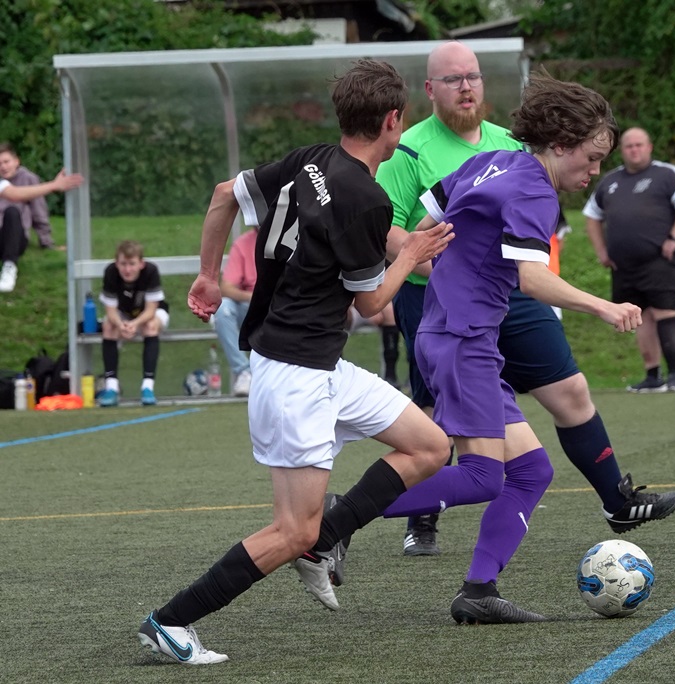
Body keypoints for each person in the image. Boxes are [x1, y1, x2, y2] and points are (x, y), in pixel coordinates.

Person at [137, 59, 454, 665]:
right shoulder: (367, 198)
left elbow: (224, 195)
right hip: (295, 376)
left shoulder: (311, 159)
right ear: (393, 120)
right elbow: (372, 303)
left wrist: (207, 275)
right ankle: (170, 622)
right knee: (291, 529)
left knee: (430, 445)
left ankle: (324, 540)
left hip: (319, 364)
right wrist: (411, 253)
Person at [303, 70, 646, 625]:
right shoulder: (534, 190)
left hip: (454, 333)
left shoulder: (495, 162)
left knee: (532, 471)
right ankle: (333, 521)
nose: (594, 171)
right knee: (484, 477)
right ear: (560, 144)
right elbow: (531, 278)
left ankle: (479, 590)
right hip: (463, 341)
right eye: (591, 158)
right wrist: (604, 306)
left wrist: (459, 273)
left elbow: (427, 225)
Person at [376, 40, 675, 558]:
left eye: (473, 76)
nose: (467, 86)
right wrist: (443, 268)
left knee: (561, 409)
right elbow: (397, 228)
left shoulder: (506, 148)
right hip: (448, 309)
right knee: (453, 443)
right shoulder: (410, 148)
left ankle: (605, 509)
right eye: (454, 79)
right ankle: (379, 518)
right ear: (429, 88)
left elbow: (518, 262)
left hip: (499, 298)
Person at [583, 127, 675, 394]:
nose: (634, 150)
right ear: (621, 151)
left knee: (665, 313)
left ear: (649, 147)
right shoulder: (610, 181)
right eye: (629, 146)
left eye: (639, 145)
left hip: (660, 260)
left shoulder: (666, 174)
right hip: (624, 267)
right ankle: (652, 376)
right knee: (640, 317)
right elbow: (591, 215)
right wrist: (602, 251)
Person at [0, 143, 83, 293]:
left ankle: (9, 267)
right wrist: (54, 185)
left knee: (12, 212)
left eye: (6, 162)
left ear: (16, 161)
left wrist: (47, 242)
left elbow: (26, 202)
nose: (3, 167)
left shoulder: (27, 179)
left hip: (14, 237)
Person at [95, 240, 169, 407]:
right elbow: (110, 310)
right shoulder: (111, 272)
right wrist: (121, 325)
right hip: (122, 313)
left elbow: (151, 310)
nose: (127, 270)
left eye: (132, 264)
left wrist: (134, 324)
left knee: (150, 326)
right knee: (108, 327)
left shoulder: (151, 271)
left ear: (141, 264)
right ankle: (111, 387)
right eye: (123, 264)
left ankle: (147, 388)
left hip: (151, 313)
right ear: (117, 263)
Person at [214, 225, 257, 396]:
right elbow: (226, 288)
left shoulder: (294, 238)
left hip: (284, 304)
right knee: (223, 309)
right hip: (252, 304)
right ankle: (244, 372)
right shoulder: (243, 243)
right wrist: (256, 297)